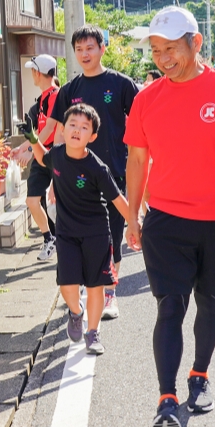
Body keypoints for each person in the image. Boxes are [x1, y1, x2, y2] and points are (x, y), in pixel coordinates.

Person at [123, 6, 215, 427]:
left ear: (196, 43)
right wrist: (133, 217)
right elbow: (136, 161)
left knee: (210, 302)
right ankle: (166, 399)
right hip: (166, 221)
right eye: (155, 50)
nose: (163, 58)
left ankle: (199, 375)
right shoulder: (147, 99)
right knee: (170, 306)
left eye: (171, 48)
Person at [45, 24, 139, 321]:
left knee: (112, 235)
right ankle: (88, 291)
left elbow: (140, 129)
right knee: (77, 237)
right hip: (73, 180)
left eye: (90, 48)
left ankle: (109, 293)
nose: (85, 54)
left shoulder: (121, 84)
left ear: (102, 48)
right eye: (79, 49)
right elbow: (59, 134)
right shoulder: (70, 90)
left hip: (113, 173)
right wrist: (53, 181)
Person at [32, 103, 132, 355]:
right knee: (67, 282)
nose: (77, 130)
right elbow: (41, 157)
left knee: (95, 285)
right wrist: (32, 138)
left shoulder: (98, 168)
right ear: (63, 130)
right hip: (66, 233)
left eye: (84, 127)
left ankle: (93, 332)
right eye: (72, 125)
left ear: (93, 136)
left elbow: (118, 200)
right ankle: (76, 313)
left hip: (96, 232)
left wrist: (138, 227)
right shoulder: (56, 155)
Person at [11, 54, 60, 261]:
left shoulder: (57, 95)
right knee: (32, 201)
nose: (32, 73)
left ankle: (67, 241)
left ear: (38, 73)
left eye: (32, 70)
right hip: (41, 155)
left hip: (56, 156)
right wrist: (22, 148)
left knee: (58, 203)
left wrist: (29, 150)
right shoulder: (41, 100)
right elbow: (36, 132)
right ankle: (50, 238)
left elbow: (49, 129)